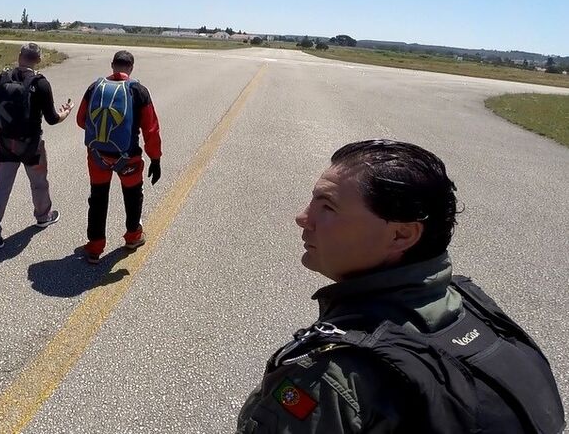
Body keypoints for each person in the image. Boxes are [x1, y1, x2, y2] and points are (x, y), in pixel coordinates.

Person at [236, 140, 564, 434]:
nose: (303, 217)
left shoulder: (331, 378)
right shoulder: (472, 307)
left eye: (328, 207)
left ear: (401, 236)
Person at [0, 43, 72, 250]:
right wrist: (65, 112)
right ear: (38, 60)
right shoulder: (41, 84)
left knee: (1, 188)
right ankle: (43, 216)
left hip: (5, 144)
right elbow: (51, 118)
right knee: (39, 183)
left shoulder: (2, 78)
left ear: (20, 56)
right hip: (31, 146)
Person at [76, 50, 162, 263]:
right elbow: (151, 129)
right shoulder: (138, 91)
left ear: (112, 65)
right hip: (128, 157)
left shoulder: (94, 87)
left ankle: (95, 247)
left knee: (98, 198)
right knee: (132, 197)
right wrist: (155, 158)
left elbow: (81, 120)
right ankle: (133, 237)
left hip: (97, 155)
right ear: (131, 68)